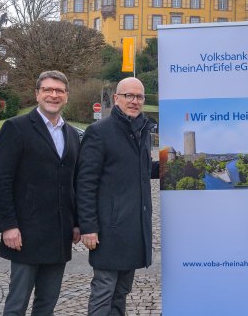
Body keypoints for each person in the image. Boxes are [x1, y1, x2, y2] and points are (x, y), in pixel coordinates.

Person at [0, 70, 82, 316]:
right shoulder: (16, 128)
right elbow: (1, 180)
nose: (54, 95)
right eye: (48, 90)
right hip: (25, 233)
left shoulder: (72, 135)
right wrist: (7, 225)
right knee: (17, 304)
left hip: (59, 233)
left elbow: (72, 183)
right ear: (37, 94)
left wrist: (76, 223)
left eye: (59, 91)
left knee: (47, 304)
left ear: (66, 96)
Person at [76, 77, 157, 316]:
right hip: (108, 229)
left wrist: (170, 167)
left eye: (139, 97)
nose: (134, 101)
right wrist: (88, 226)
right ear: (116, 99)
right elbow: (85, 183)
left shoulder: (143, 131)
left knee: (121, 292)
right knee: (104, 290)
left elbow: (141, 170)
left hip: (133, 227)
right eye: (128, 96)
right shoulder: (99, 132)